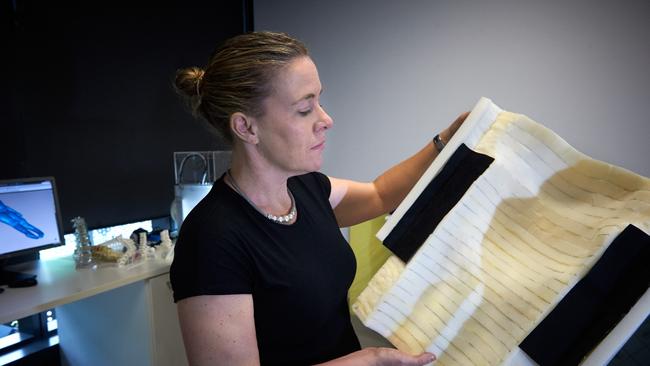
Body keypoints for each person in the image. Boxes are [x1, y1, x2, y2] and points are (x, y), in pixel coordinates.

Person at [169, 31, 468, 366]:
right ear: (246, 127)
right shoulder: (212, 238)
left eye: (320, 102)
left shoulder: (307, 189)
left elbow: (381, 194)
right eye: (304, 109)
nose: (326, 120)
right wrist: (368, 359)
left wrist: (449, 139)